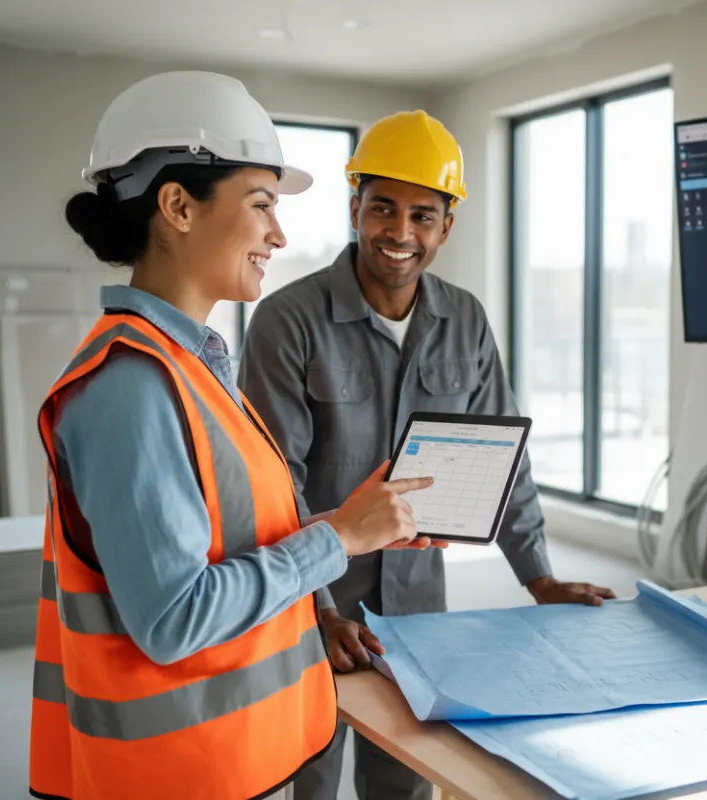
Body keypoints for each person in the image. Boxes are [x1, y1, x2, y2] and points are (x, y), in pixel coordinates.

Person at [27, 72, 443, 800]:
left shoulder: (190, 366)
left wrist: (354, 525)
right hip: (175, 777)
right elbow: (174, 618)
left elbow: (230, 538)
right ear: (178, 207)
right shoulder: (130, 385)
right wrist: (338, 540)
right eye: (261, 205)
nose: (279, 235)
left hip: (227, 762)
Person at [236, 109, 618, 800]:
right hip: (310, 606)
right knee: (309, 776)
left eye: (422, 215)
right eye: (383, 208)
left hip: (417, 607)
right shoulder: (287, 320)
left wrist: (539, 579)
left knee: (406, 780)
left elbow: (505, 460)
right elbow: (272, 484)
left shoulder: (465, 320)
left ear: (447, 226)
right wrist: (318, 609)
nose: (400, 233)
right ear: (355, 209)